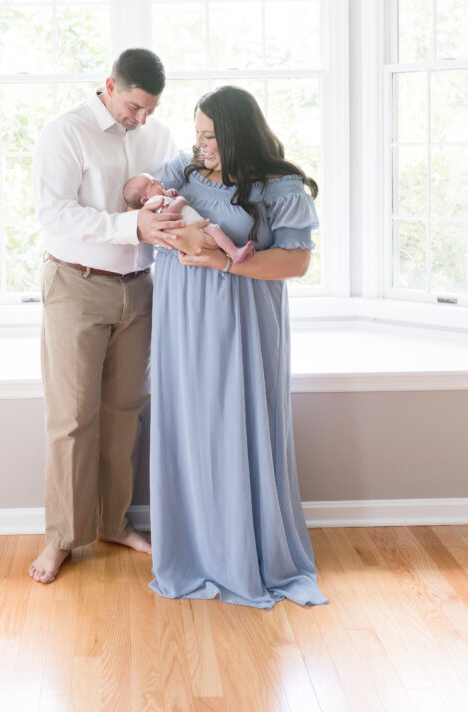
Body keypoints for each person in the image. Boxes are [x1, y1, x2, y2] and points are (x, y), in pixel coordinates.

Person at [149, 85, 328, 608]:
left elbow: (295, 263)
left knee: (233, 424)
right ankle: (194, 551)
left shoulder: (280, 186)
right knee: (190, 428)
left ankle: (239, 552)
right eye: (198, 132)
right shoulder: (185, 169)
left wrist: (225, 261)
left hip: (240, 323)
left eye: (211, 136)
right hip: (181, 322)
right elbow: (148, 210)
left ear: (237, 134)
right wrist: (168, 229)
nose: (201, 144)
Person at [30, 49, 180, 584]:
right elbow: (54, 213)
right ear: (110, 85)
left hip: (139, 290)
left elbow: (175, 193)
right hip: (76, 285)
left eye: (151, 110)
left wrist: (162, 196)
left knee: (123, 411)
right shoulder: (66, 133)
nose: (142, 119)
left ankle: (114, 521)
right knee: (72, 418)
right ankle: (62, 538)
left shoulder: (155, 135)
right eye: (136, 107)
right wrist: (130, 226)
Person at [123, 173, 255, 264]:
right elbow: (167, 214)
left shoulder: (161, 198)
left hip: (195, 227)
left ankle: (233, 253)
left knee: (214, 232)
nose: (158, 180)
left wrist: (176, 196)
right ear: (145, 199)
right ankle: (234, 253)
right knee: (214, 231)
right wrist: (180, 200)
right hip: (193, 228)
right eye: (152, 183)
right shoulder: (155, 201)